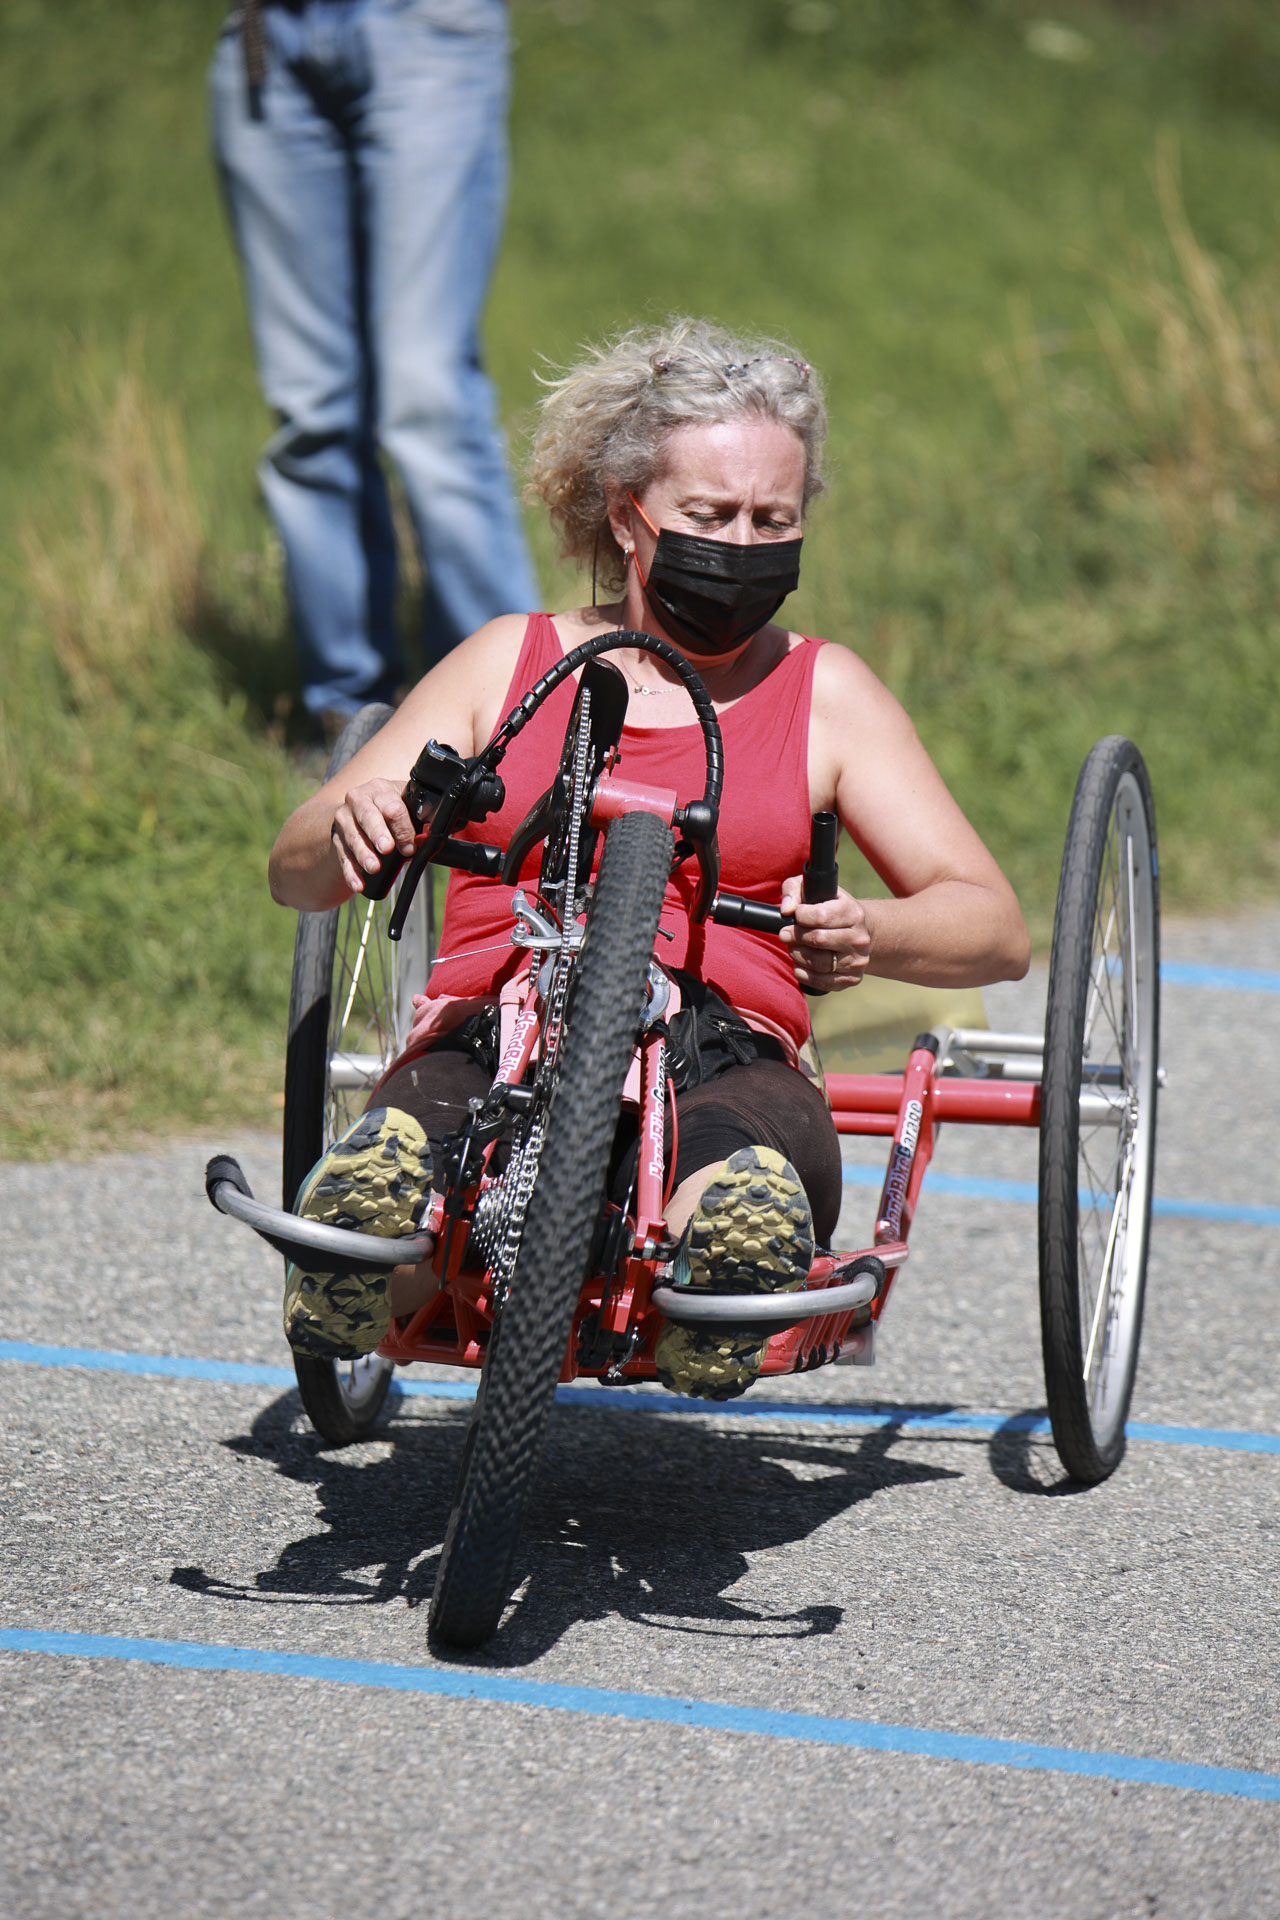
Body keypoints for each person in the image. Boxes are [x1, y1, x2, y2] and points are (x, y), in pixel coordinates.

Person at [268, 318, 1030, 1398]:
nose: (743, 545)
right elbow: (296, 869)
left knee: (743, 1149)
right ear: (628, 517)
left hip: (730, 1050)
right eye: (709, 516)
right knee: (429, 1128)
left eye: (773, 520)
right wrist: (359, 819)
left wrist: (871, 929)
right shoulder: (509, 660)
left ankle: (723, 1258)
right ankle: (367, 1248)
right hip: (497, 1030)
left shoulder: (825, 694)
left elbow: (992, 927)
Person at [209, 0, 538, 731]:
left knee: (429, 400)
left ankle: (515, 718)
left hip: (421, 25)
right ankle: (350, 718)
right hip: (265, 39)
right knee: (311, 411)